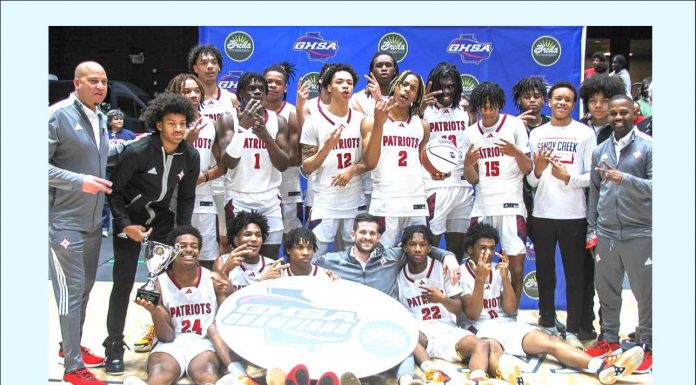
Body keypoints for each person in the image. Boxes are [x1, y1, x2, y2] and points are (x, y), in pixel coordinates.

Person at [459, 223, 644, 385]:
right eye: (483, 248)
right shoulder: (461, 273)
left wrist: (505, 280)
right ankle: (513, 378)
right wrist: (480, 281)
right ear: (469, 249)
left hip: (506, 324)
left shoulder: (499, 269)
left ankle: (600, 367)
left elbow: (510, 309)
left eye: (492, 248)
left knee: (551, 341)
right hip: (480, 329)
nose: (488, 253)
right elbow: (472, 314)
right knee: (494, 352)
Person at [103, 92, 201, 375]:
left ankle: (171, 341)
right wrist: (124, 225)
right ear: (159, 124)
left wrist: (181, 233)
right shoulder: (137, 151)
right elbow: (115, 193)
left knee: (168, 285)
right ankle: (114, 344)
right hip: (131, 223)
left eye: (183, 123)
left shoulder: (190, 155)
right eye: (172, 123)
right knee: (122, 284)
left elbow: (185, 197)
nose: (179, 129)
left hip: (162, 223)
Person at [312, 213, 461, 385]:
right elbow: (305, 264)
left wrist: (447, 256)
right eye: (363, 232)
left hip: (386, 322)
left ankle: (407, 381)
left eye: (372, 233)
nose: (367, 237)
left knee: (401, 337)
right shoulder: (333, 261)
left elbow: (419, 248)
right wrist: (322, 275)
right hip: (353, 324)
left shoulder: (391, 257)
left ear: (379, 237)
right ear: (353, 235)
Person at [49, 61, 113, 385]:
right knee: (71, 291)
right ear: (76, 83)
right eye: (93, 81)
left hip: (93, 222)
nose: (100, 86)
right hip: (64, 221)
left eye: (103, 81)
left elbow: (100, 157)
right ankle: (73, 368)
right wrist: (79, 181)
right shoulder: (57, 115)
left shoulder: (100, 117)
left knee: (85, 288)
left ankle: (69, 347)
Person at [526, 81, 598, 348]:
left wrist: (570, 178)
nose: (562, 103)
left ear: (573, 103)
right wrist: (539, 168)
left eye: (568, 99)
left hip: (574, 213)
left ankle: (574, 327)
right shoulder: (537, 134)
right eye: (557, 99)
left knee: (575, 274)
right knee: (545, 271)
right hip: (543, 212)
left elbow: (593, 177)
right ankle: (546, 321)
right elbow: (532, 182)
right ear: (549, 101)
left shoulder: (584, 133)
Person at [586, 95, 652, 374]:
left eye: (623, 112)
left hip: (641, 231)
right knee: (607, 293)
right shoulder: (600, 150)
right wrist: (592, 229)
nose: (617, 117)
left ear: (634, 112)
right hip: (607, 233)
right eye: (613, 113)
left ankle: (649, 345)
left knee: (646, 294)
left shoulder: (649, 147)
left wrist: (624, 178)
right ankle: (609, 339)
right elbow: (594, 193)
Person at [122, 226, 226, 385]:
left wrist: (226, 290)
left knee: (207, 373)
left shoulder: (212, 278)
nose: (189, 249)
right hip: (170, 345)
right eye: (182, 246)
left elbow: (225, 318)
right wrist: (155, 310)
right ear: (171, 251)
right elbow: (167, 336)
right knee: (159, 374)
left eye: (194, 246)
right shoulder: (159, 283)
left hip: (203, 343)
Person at [462, 81, 532, 307]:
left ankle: (513, 314)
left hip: (511, 205)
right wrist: (468, 164)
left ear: (500, 105)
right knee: (478, 264)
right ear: (477, 108)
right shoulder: (470, 133)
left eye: (493, 106)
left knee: (516, 267)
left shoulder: (514, 126)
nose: (488, 111)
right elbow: (472, 179)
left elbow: (528, 168)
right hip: (483, 205)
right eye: (483, 107)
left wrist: (516, 152)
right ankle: (480, 312)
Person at [397, 225, 495, 384]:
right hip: (420, 335)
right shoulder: (398, 274)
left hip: (446, 329)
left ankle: (478, 379)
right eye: (412, 244)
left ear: (430, 248)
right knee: (407, 334)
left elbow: (458, 308)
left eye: (422, 245)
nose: (417, 249)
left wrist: (441, 299)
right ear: (405, 248)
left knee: (482, 344)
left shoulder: (443, 268)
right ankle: (430, 371)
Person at [220, 72, 291, 259]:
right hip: (238, 198)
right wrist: (242, 129)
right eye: (252, 88)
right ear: (241, 93)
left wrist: (267, 138)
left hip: (270, 199)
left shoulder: (278, 121)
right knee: (240, 257)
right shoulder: (229, 119)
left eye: (261, 88)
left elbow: (284, 164)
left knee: (271, 257)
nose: (258, 91)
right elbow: (228, 162)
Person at [301, 63, 368, 256]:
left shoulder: (361, 119)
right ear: (329, 87)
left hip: (355, 200)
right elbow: (307, 167)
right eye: (339, 82)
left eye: (349, 83)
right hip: (325, 202)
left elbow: (370, 160)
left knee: (353, 261)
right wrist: (327, 147)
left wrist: (352, 170)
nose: (345, 86)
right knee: (313, 257)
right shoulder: (314, 120)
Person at [361, 70, 430, 247]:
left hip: (415, 201)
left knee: (418, 258)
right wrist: (379, 123)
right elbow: (369, 163)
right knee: (381, 260)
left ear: (417, 96)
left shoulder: (422, 126)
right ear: (395, 87)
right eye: (404, 84)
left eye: (413, 88)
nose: (407, 90)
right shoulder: (371, 121)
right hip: (386, 202)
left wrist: (437, 171)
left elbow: (424, 163)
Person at [166, 73, 226, 270]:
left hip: (204, 197)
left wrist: (204, 176)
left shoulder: (209, 123)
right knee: (175, 256)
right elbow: (163, 160)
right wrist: (186, 140)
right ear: (175, 94)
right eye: (186, 91)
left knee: (207, 256)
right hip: (174, 199)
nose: (193, 95)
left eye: (196, 91)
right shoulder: (166, 123)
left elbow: (222, 165)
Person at [419, 62, 475, 260]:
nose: (446, 91)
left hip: (462, 184)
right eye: (442, 86)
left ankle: (452, 290)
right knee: (431, 245)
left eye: (451, 86)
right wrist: (419, 108)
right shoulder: (422, 110)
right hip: (435, 184)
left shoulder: (466, 108)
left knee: (458, 248)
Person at [188, 43, 240, 256]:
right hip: (193, 177)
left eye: (214, 62)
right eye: (204, 62)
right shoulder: (187, 98)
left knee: (224, 237)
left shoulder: (231, 99)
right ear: (195, 68)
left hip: (223, 175)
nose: (209, 66)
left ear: (220, 67)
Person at [350, 52, 399, 210]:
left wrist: (380, 98)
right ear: (371, 70)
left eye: (388, 65)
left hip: (400, 179)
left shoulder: (404, 99)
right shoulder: (358, 99)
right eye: (379, 65)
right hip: (370, 180)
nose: (384, 68)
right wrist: (378, 99)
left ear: (395, 70)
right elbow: (364, 131)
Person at [263, 62, 303, 236]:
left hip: (287, 179)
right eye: (269, 81)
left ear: (285, 87)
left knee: (292, 235)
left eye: (278, 83)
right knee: (261, 232)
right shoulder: (252, 112)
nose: (272, 85)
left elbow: (294, 157)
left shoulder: (292, 113)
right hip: (260, 178)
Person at [511, 76, 551, 243]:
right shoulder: (509, 124)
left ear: (544, 99)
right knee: (513, 248)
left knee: (545, 249)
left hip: (547, 193)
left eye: (537, 96)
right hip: (516, 193)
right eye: (527, 97)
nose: (532, 101)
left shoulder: (553, 125)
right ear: (519, 99)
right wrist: (512, 127)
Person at [103, 109, 137, 237]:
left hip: (123, 170)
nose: (119, 121)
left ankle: (125, 227)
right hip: (106, 169)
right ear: (110, 121)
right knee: (105, 200)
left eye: (121, 119)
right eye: (116, 119)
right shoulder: (104, 134)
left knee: (123, 198)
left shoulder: (129, 134)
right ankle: (104, 227)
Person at [579, 75, 626, 145]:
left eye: (604, 101)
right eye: (593, 100)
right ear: (586, 103)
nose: (598, 105)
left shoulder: (622, 130)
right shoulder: (578, 127)